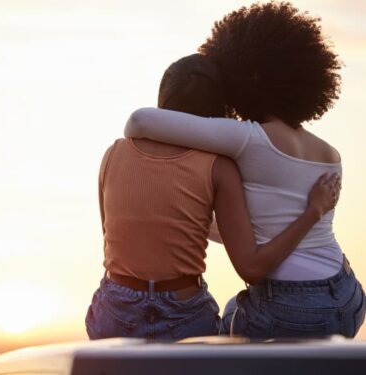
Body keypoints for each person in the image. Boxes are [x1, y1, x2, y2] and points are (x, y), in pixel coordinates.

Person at [124, 2, 365, 338]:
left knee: (221, 325)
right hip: (348, 295)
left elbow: (139, 121)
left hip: (289, 308)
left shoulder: (249, 139)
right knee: (236, 308)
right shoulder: (330, 153)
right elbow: (271, 222)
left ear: (245, 78)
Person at [85, 53, 340, 341]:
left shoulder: (113, 154)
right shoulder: (219, 167)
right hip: (181, 315)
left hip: (114, 310)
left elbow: (118, 234)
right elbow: (252, 268)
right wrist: (311, 212)